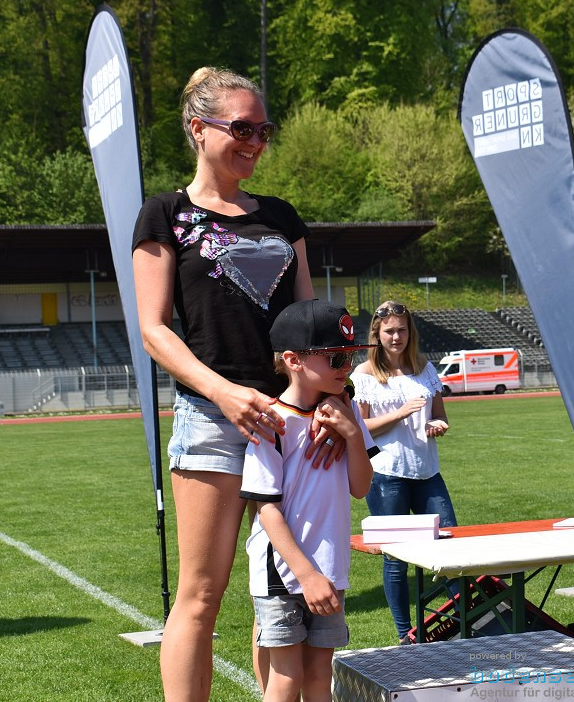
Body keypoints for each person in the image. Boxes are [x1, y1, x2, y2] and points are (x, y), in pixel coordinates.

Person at [132, 67, 337, 701]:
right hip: (212, 418)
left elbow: (310, 325)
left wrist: (331, 400)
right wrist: (223, 392)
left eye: (263, 130)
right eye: (241, 128)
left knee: (281, 588)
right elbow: (154, 330)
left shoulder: (281, 217)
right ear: (199, 129)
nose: (255, 141)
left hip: (290, 421)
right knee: (200, 594)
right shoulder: (164, 213)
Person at [240, 300, 374, 702]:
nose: (345, 368)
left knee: (319, 678)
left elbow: (361, 487)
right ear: (293, 360)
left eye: (350, 357)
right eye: (335, 357)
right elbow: (266, 509)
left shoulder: (345, 417)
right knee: (285, 679)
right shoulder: (271, 424)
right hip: (283, 572)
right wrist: (307, 576)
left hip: (331, 569)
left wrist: (351, 434)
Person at [350, 301, 457, 643]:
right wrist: (399, 413)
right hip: (386, 475)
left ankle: (468, 620)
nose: (396, 337)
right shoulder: (364, 374)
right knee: (396, 558)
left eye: (401, 330)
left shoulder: (424, 368)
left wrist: (437, 425)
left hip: (427, 472)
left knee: (451, 546)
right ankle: (405, 635)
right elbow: (360, 429)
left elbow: (439, 415)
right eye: (389, 331)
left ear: (410, 332)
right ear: (377, 335)